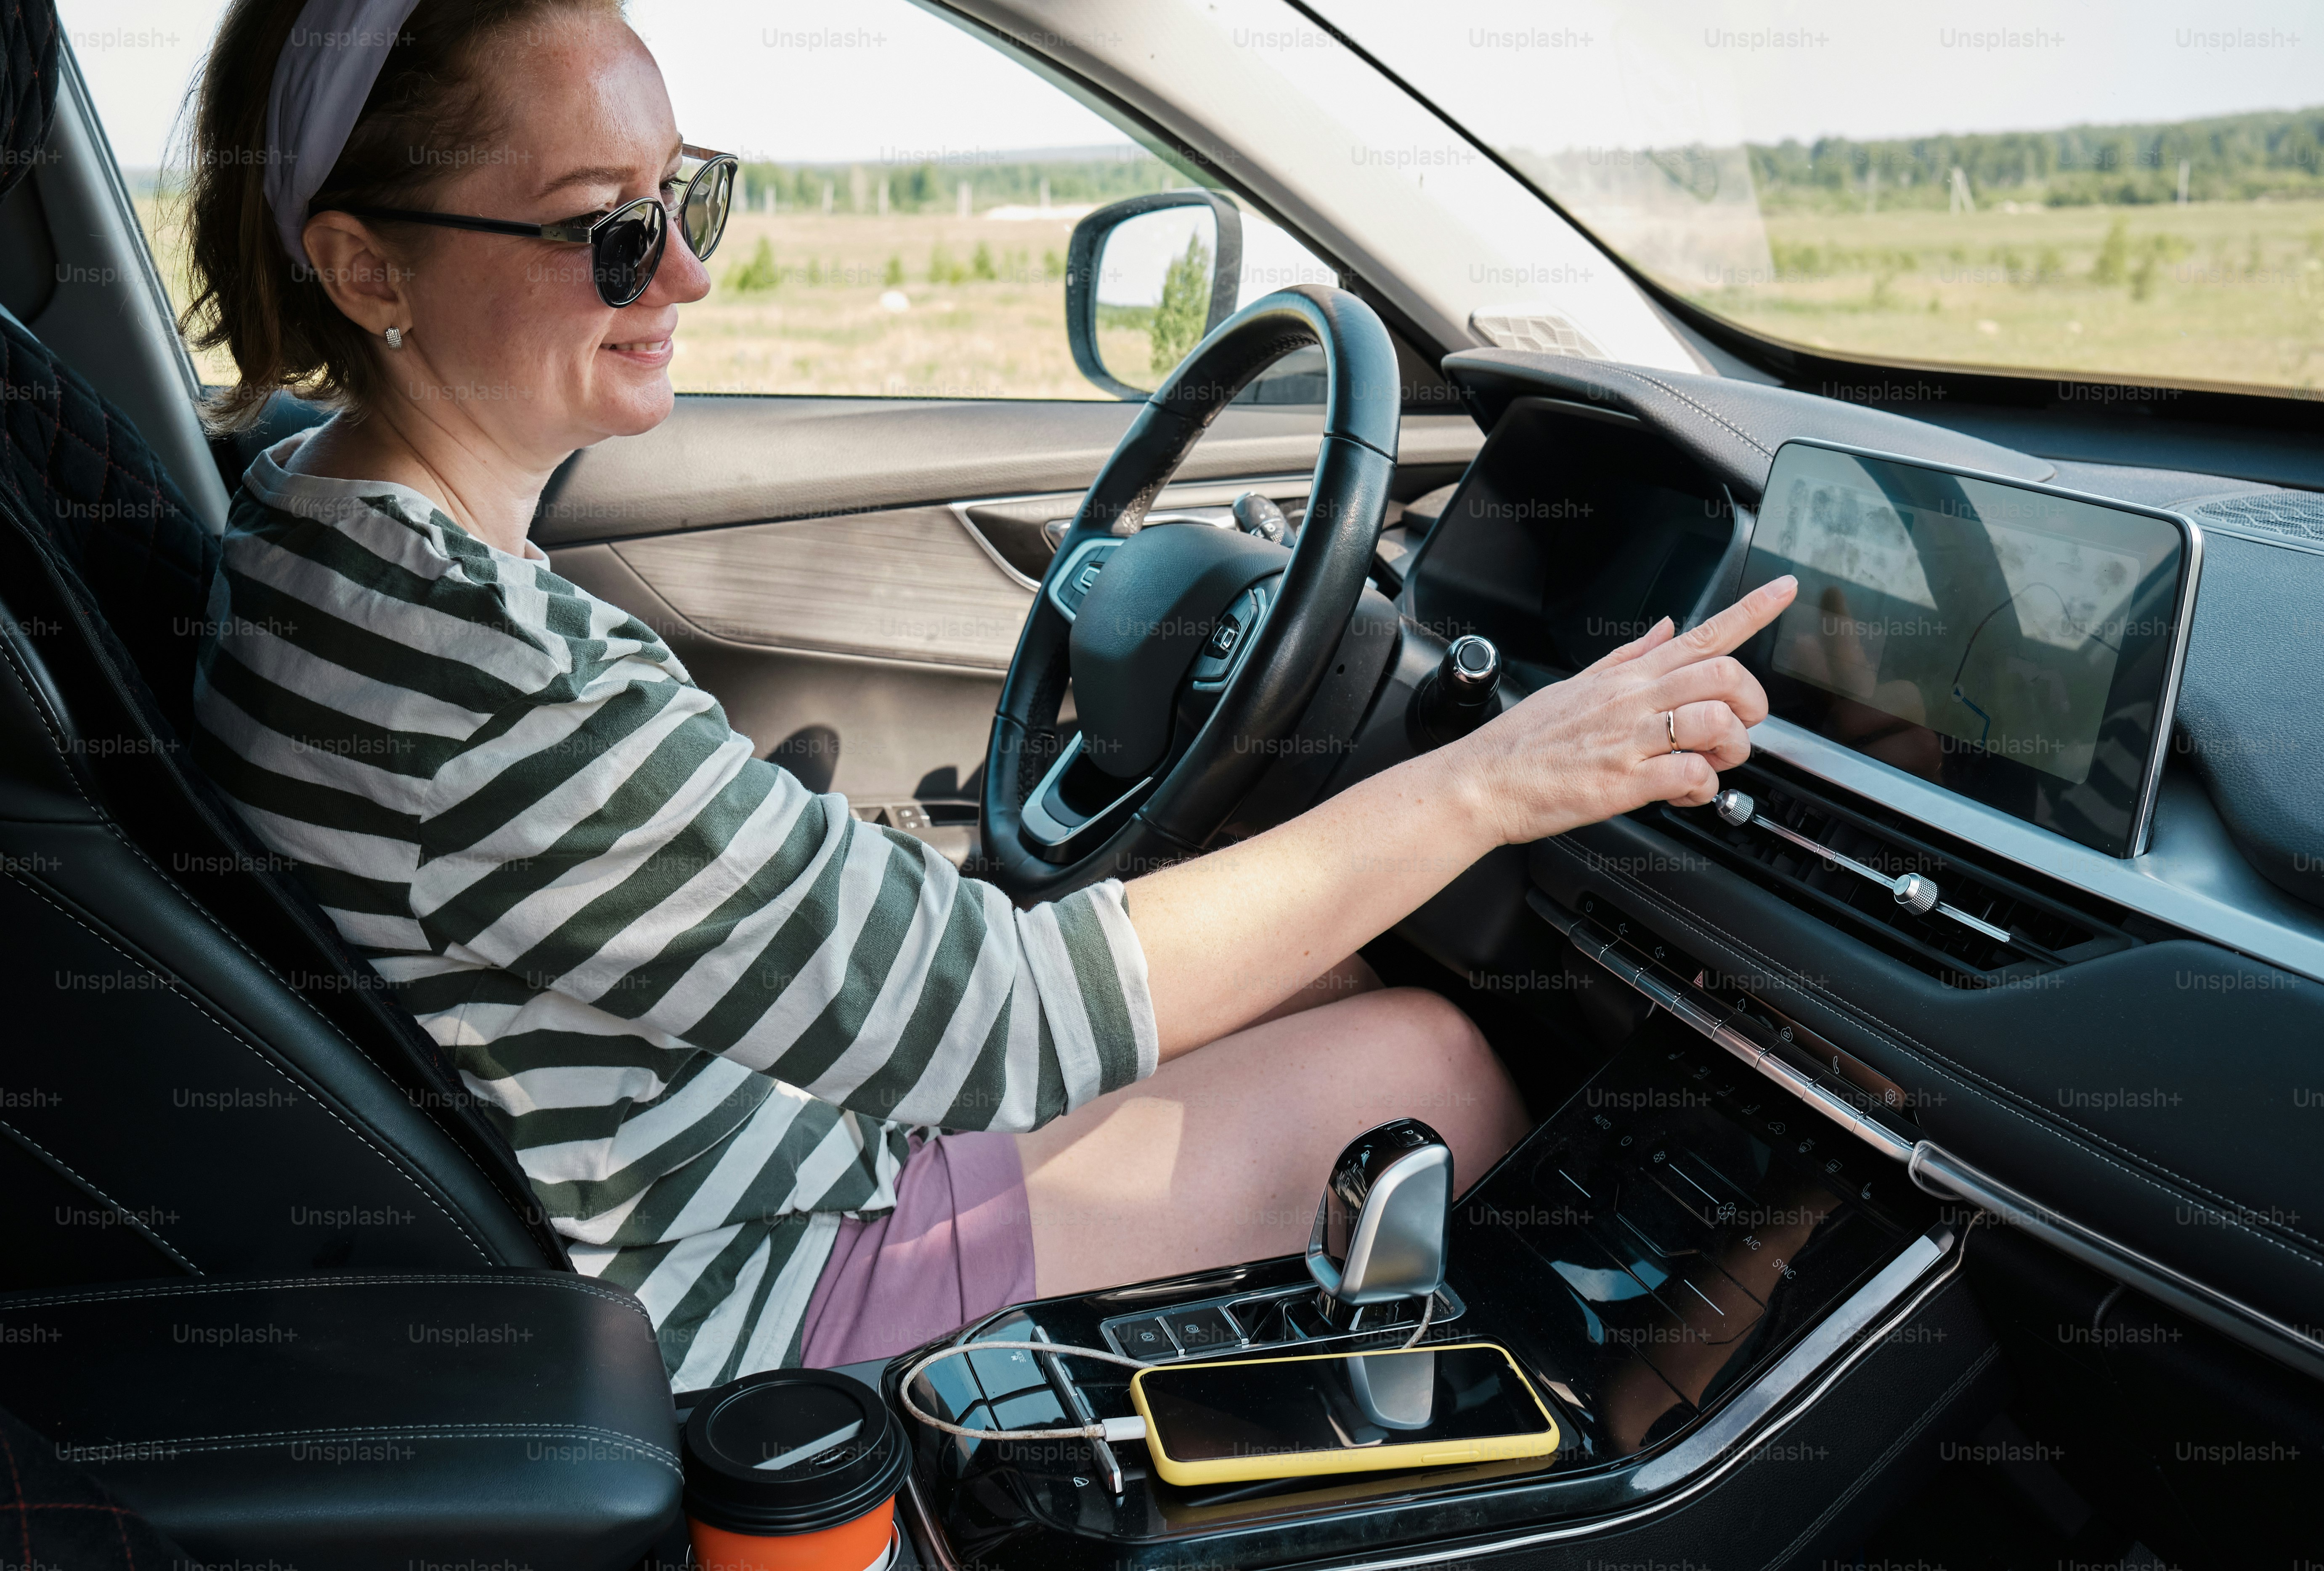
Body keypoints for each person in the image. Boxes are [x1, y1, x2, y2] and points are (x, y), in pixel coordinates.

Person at [181, 0, 1797, 1388]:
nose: (684, 275)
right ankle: (1656, 1432)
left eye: (690, 199)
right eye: (609, 227)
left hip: (735, 1167)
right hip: (763, 1286)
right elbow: (998, 1025)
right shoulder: (480, 677)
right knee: (1429, 1069)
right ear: (365, 267)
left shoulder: (313, 525)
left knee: (1331, 969)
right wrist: (1493, 779)